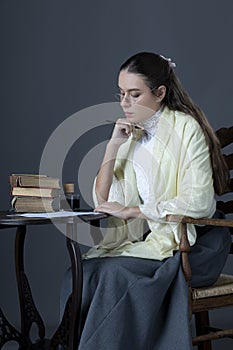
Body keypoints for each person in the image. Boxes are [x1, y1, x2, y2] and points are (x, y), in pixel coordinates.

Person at [61, 52, 231, 349]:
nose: (125, 102)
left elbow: (199, 201)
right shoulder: (135, 135)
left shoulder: (185, 128)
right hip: (154, 240)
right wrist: (113, 145)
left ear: (160, 93)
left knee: (113, 275)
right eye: (122, 93)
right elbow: (103, 198)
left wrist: (132, 210)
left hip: (195, 243)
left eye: (134, 94)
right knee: (81, 273)